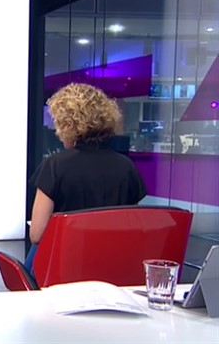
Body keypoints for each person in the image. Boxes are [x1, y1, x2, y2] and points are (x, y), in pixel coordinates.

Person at [25, 83, 147, 272]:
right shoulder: (126, 167)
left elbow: (37, 234)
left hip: (65, 269)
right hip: (113, 267)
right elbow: (131, 228)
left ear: (67, 125)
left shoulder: (54, 166)